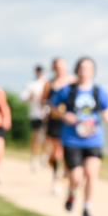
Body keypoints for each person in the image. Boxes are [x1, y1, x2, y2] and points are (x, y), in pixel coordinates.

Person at [49, 56, 108, 216]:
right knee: (76, 177)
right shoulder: (68, 91)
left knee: (91, 174)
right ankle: (72, 193)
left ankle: (87, 208)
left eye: (88, 68)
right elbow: (52, 105)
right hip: (72, 140)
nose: (85, 71)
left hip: (93, 140)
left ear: (93, 72)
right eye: (82, 68)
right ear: (77, 70)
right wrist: (64, 115)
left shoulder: (98, 91)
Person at [42, 57, 75, 194]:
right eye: (57, 67)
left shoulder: (73, 82)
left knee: (68, 150)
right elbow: (44, 101)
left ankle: (67, 175)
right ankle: (56, 178)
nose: (60, 69)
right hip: (55, 120)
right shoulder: (50, 84)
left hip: (69, 120)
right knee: (57, 151)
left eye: (62, 66)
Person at [21, 64, 49, 169]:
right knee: (36, 136)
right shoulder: (31, 84)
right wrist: (30, 96)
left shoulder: (47, 83)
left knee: (46, 137)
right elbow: (23, 98)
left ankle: (44, 156)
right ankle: (34, 157)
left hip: (47, 114)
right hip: (35, 114)